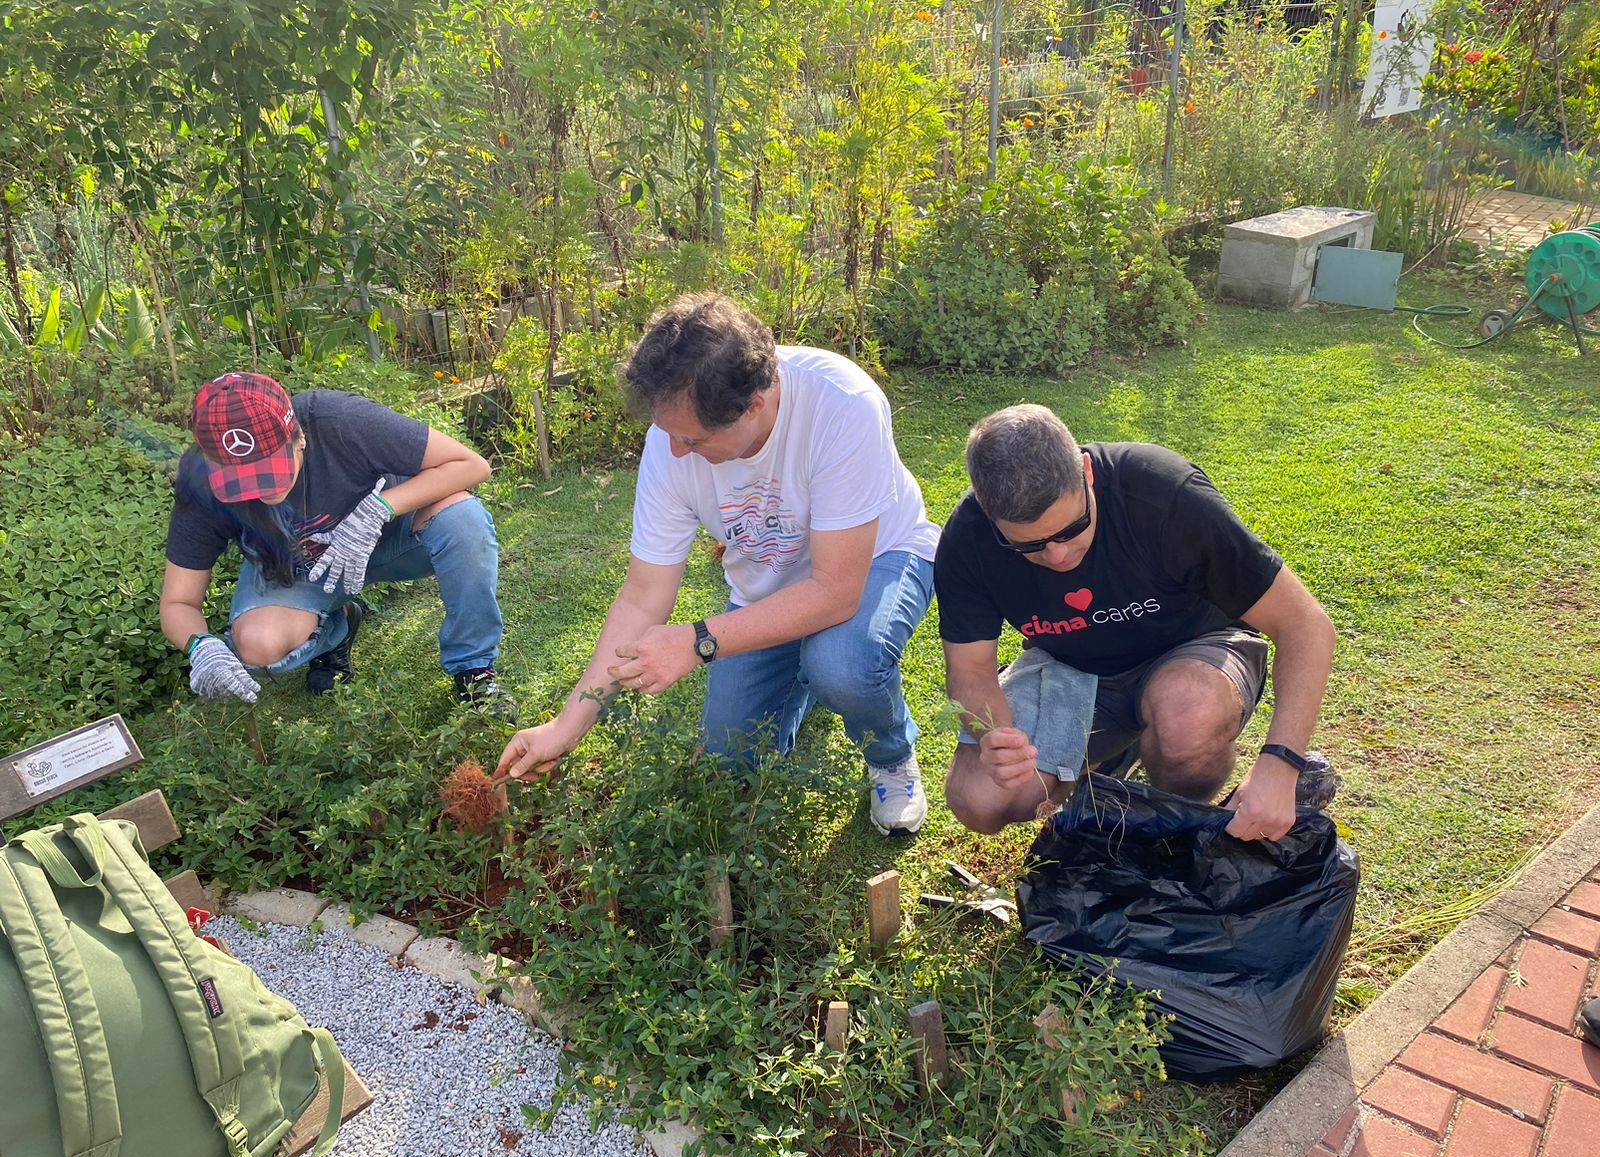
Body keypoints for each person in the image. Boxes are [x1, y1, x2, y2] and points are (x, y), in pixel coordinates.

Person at [496, 293, 940, 835]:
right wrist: (568, 725)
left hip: (877, 560)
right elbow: (642, 596)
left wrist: (699, 640)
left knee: (842, 664)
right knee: (731, 761)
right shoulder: (669, 444)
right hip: (772, 586)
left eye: (691, 439)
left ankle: (890, 753)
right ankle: (806, 670)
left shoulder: (843, 404)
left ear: (753, 405)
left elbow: (835, 591)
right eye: (669, 434)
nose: (675, 453)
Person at [935, 404, 1335, 841]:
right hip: (1072, 666)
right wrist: (994, 734)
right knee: (981, 798)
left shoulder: (1160, 490)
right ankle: (1115, 759)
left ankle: (1173, 821)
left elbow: (1304, 623)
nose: (1058, 556)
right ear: (989, 514)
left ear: (1086, 472)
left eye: (1072, 529)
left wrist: (1281, 763)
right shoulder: (968, 538)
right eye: (1028, 545)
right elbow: (970, 669)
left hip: (1195, 647)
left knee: (1186, 717)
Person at [159, 372, 513, 713]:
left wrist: (378, 509)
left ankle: (473, 671)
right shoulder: (199, 479)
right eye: (241, 479)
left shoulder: (338, 419)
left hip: (392, 537)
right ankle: (337, 626)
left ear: (298, 437)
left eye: (269, 469)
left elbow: (471, 465)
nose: (262, 488)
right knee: (257, 648)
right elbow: (178, 601)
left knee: (463, 520)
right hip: (298, 571)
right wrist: (200, 646)